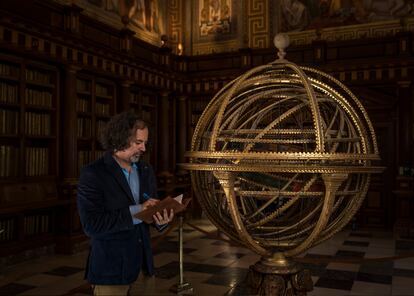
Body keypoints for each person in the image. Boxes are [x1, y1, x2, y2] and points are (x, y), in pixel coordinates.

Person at [77, 111, 174, 296]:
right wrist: (138, 211)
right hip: (110, 272)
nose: (144, 149)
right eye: (138, 143)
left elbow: (151, 211)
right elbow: (92, 225)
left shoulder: (146, 170)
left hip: (144, 269)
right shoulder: (93, 174)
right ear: (119, 138)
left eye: (145, 143)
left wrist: (161, 220)